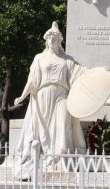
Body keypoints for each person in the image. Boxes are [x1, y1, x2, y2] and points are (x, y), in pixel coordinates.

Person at [13, 22, 86, 178]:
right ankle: (47, 160)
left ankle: (62, 159)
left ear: (59, 41)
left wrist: (99, 73)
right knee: (45, 133)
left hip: (62, 94)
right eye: (50, 37)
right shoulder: (39, 58)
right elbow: (32, 81)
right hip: (43, 95)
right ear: (46, 40)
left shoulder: (67, 59)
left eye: (55, 37)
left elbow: (82, 74)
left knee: (63, 124)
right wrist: (22, 96)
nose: (52, 40)